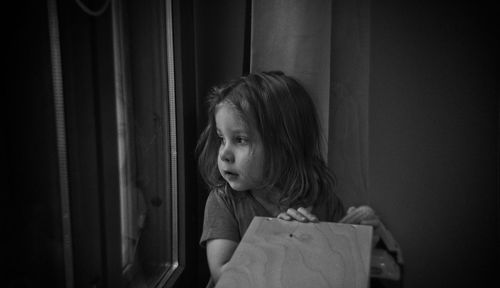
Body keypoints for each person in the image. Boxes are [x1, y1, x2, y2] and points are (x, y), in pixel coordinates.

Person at [197, 71, 382, 287]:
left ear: (284, 147)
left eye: (240, 139)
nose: (224, 154)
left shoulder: (320, 198)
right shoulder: (224, 201)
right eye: (222, 138)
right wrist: (281, 244)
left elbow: (336, 266)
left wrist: (357, 237)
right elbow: (223, 274)